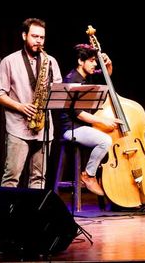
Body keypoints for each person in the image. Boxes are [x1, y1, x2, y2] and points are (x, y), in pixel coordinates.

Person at [0, 18, 62, 189]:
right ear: (24, 36)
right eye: (34, 36)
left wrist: (50, 90)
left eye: (42, 37)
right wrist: (20, 106)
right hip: (18, 127)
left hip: (43, 128)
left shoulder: (50, 61)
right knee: (11, 177)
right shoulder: (9, 61)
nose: (38, 41)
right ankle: (5, 215)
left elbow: (60, 91)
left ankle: (33, 215)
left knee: (39, 178)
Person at [58, 44, 122, 196]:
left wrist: (108, 63)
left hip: (84, 127)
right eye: (92, 60)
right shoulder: (72, 80)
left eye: (95, 61)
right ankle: (89, 175)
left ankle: (109, 180)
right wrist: (102, 121)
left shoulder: (87, 75)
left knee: (113, 136)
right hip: (72, 128)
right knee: (105, 141)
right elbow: (78, 114)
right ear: (81, 61)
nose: (95, 64)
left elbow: (107, 75)